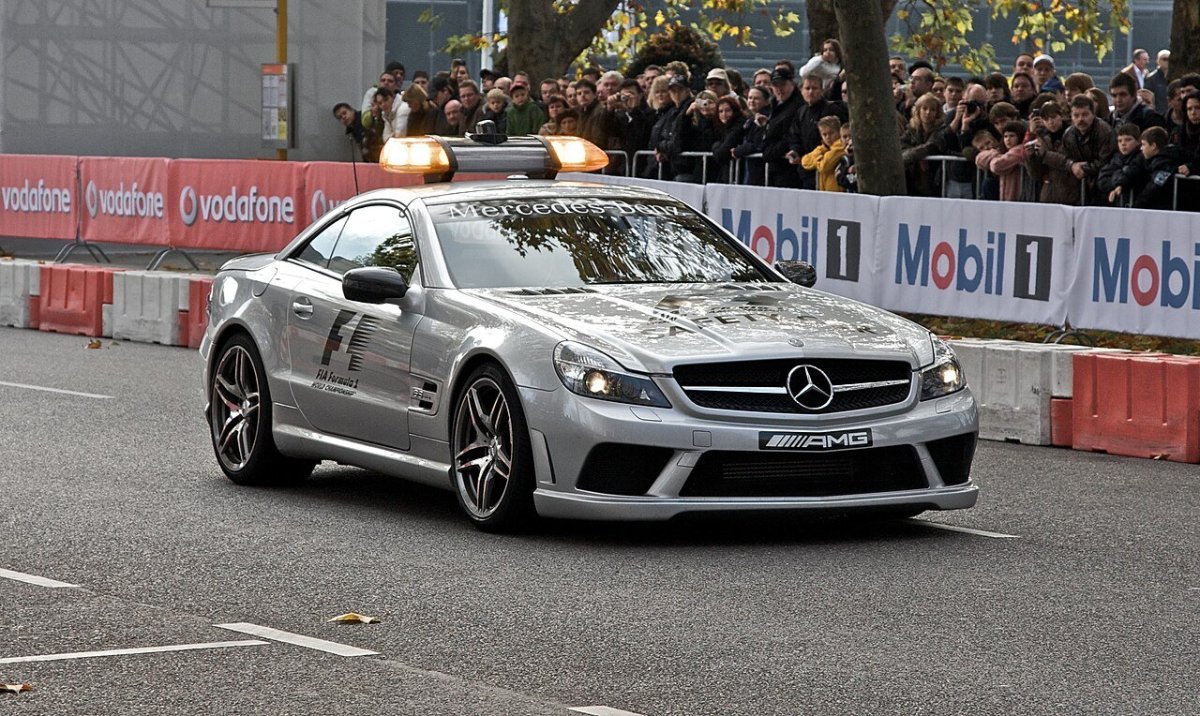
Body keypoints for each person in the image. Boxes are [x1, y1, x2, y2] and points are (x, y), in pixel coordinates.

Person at [786, 74, 849, 190]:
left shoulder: (833, 109)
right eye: (807, 88)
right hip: (806, 170)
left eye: (814, 88)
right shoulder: (801, 112)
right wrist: (795, 151)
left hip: (828, 169)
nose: (811, 92)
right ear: (801, 91)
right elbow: (794, 135)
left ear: (822, 90)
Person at [900, 93, 953, 197]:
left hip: (935, 180)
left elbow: (932, 146)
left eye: (932, 109)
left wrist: (913, 155)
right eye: (924, 108)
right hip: (912, 179)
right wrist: (917, 157)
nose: (928, 112)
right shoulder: (911, 130)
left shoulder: (942, 129)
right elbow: (901, 150)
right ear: (918, 110)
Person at [761, 67, 804, 188]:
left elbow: (789, 136)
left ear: (792, 83)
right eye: (775, 85)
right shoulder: (774, 104)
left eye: (783, 84)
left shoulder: (797, 106)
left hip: (788, 170)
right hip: (774, 166)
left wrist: (769, 152)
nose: (779, 89)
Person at [1025, 99, 1074, 204]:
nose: (1051, 122)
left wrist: (1045, 155)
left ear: (1061, 116)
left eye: (1053, 117)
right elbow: (1036, 174)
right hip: (1049, 191)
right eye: (1046, 119)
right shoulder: (1042, 137)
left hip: (1070, 190)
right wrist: (1031, 158)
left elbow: (1068, 160)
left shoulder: (1072, 134)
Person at [977, 120, 1032, 202]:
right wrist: (998, 156)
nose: (1008, 140)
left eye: (1012, 136)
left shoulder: (1020, 149)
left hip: (1017, 195)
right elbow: (979, 158)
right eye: (1005, 136)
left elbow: (997, 165)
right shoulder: (1002, 150)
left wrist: (996, 158)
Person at [1099, 123, 1146, 206]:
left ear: (1138, 142)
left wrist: (1118, 179)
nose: (1123, 143)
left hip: (1135, 203)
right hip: (1118, 203)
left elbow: (1132, 173)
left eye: (1128, 140)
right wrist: (1116, 185)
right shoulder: (1116, 158)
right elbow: (1102, 179)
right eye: (1119, 141)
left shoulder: (1141, 157)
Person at [732, 86, 770, 185]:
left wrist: (738, 150)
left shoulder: (765, 118)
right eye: (750, 98)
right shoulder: (750, 119)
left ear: (766, 101)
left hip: (758, 171)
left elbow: (758, 143)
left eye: (756, 98)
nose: (752, 101)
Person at [800, 115, 846, 192]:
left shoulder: (840, 147)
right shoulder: (823, 148)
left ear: (839, 132)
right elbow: (805, 161)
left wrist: (817, 160)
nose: (828, 137)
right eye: (824, 134)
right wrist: (821, 154)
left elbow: (824, 167)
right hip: (824, 190)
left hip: (837, 191)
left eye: (831, 133)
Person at [711, 95, 746, 183]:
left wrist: (716, 147)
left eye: (728, 110)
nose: (724, 114)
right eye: (720, 111)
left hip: (738, 173)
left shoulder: (739, 125)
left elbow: (723, 151)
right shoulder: (721, 128)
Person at [1145, 50, 1170, 115]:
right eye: (1164, 59)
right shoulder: (1151, 78)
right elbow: (1147, 98)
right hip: (1158, 114)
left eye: (1169, 59)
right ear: (1158, 61)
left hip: (1171, 114)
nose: (1167, 61)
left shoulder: (1175, 76)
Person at [834, 122, 857, 192]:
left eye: (850, 136)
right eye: (845, 137)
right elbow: (839, 178)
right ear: (841, 140)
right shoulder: (843, 158)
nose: (848, 139)